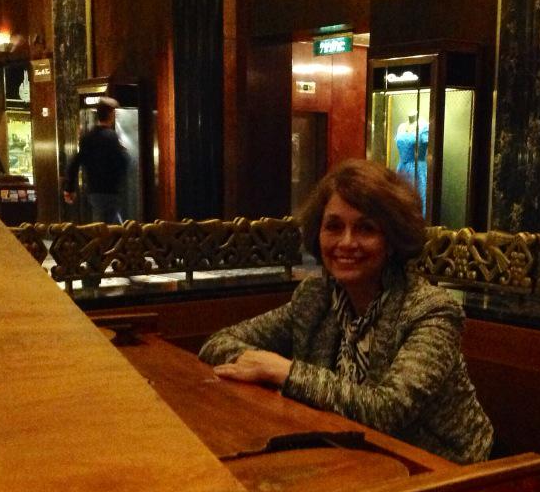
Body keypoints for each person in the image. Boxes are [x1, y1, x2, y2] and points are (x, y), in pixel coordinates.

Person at [199, 159, 496, 464]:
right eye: (334, 227)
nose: (346, 242)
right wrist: (260, 366)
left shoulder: (431, 310)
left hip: (443, 470)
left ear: (391, 241)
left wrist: (282, 371)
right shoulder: (316, 298)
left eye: (366, 228)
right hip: (348, 453)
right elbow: (218, 343)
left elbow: (388, 410)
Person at [63, 96, 129, 224]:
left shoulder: (88, 137)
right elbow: (122, 162)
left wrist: (69, 188)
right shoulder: (112, 137)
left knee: (99, 223)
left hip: (94, 191)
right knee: (112, 226)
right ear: (111, 114)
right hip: (111, 191)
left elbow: (75, 162)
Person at [394, 111, 428, 211]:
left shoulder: (424, 126)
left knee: (417, 197)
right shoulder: (401, 127)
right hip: (401, 168)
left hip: (417, 168)